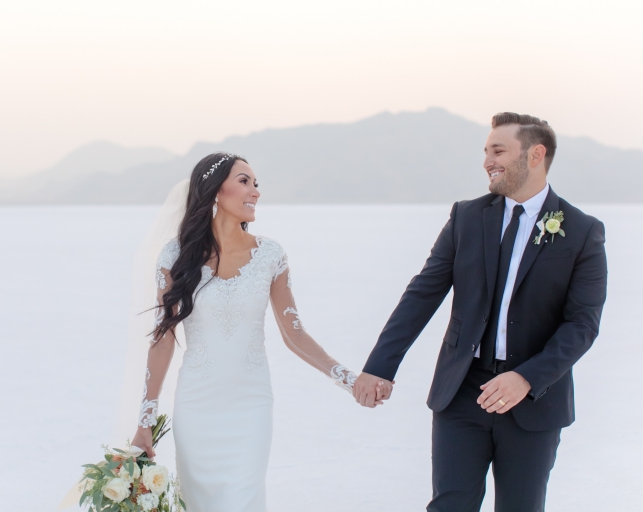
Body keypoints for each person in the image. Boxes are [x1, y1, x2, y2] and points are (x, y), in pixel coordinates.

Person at [354, 113, 608, 511]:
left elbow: (582, 324)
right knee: (450, 505)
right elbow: (422, 293)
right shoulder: (467, 217)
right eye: (486, 151)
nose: (487, 160)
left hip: (533, 400)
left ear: (536, 154)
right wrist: (380, 365)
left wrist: (525, 378)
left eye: (498, 150)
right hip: (461, 391)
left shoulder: (581, 230)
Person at [129, 153, 372, 512]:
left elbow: (295, 334)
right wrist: (145, 422)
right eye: (244, 181)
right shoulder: (176, 256)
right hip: (196, 406)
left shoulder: (270, 255)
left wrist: (349, 379)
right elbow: (163, 340)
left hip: (251, 405)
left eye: (256, 183)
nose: (255, 191)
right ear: (214, 191)